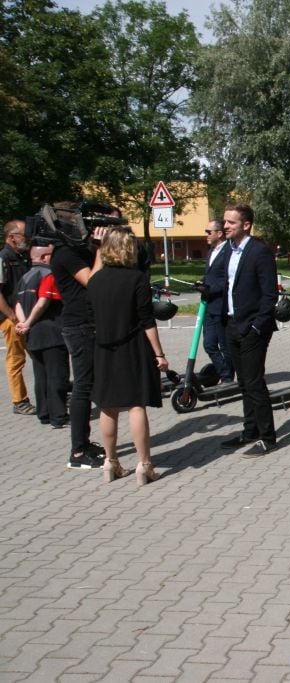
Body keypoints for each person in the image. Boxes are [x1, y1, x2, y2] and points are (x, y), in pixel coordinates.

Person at [87, 226, 168, 485]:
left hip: (103, 347)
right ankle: (144, 464)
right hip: (132, 347)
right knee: (136, 404)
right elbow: (147, 321)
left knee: (107, 405)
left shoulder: (95, 280)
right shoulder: (137, 279)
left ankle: (110, 461)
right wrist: (159, 354)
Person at [214, 203, 279, 457]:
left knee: (254, 383)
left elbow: (270, 294)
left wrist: (256, 326)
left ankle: (267, 437)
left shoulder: (259, 252)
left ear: (246, 225)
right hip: (232, 323)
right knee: (243, 383)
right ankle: (250, 431)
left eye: (231, 222)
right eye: (225, 221)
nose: (225, 226)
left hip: (253, 328)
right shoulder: (228, 250)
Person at [49, 204, 105, 469]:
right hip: (79, 325)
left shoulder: (78, 250)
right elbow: (93, 281)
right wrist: (101, 249)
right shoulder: (65, 253)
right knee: (83, 387)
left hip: (88, 323)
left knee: (89, 386)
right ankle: (78, 452)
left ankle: (85, 442)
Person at [14, 245, 70, 428]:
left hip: (33, 335)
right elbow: (43, 301)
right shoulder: (48, 275)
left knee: (41, 375)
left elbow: (17, 303)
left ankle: (44, 413)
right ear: (45, 257)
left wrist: (24, 323)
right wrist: (29, 322)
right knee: (57, 375)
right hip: (51, 331)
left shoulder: (25, 277)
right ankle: (58, 415)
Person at [0, 219, 34, 415]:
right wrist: (12, 317)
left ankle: (53, 393)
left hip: (27, 317)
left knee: (38, 354)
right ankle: (19, 400)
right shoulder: (3, 258)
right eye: (24, 235)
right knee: (16, 359)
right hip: (12, 319)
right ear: (12, 237)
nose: (27, 238)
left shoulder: (23, 256)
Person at [202, 219, 233, 383]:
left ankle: (228, 378)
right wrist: (202, 284)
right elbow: (211, 275)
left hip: (221, 306)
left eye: (209, 232)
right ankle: (224, 373)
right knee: (209, 344)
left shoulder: (228, 251)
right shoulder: (211, 251)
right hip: (208, 305)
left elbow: (227, 279)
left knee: (225, 345)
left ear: (219, 233)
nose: (206, 235)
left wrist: (211, 289)